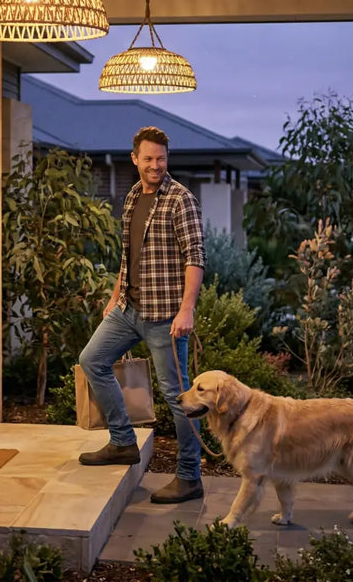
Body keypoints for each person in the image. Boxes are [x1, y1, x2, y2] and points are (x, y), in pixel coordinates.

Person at [78, 126, 206, 504]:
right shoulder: (134, 195)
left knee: (176, 397)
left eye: (161, 159)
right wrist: (116, 295)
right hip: (128, 309)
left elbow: (194, 257)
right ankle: (122, 441)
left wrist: (187, 310)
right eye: (148, 159)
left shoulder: (181, 200)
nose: (155, 165)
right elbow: (128, 255)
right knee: (92, 361)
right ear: (135, 159)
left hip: (166, 317)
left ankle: (189, 476)